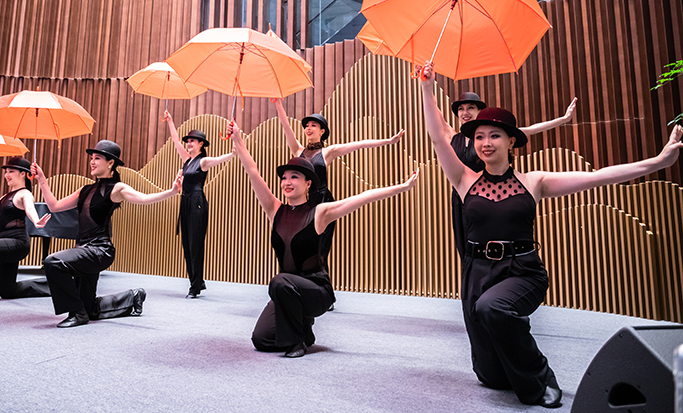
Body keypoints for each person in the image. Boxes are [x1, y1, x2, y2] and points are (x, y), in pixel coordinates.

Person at [420, 62, 682, 408]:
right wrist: (426, 87)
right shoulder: (463, 178)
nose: (485, 142)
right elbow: (438, 135)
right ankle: (506, 365)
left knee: (493, 309)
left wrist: (656, 163)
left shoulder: (535, 182)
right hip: (476, 272)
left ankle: (541, 376)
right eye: (479, 136)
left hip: (522, 270)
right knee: (491, 376)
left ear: (511, 141)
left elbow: (599, 176)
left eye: (494, 135)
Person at [227, 120, 418, 357]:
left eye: (294, 177)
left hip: (316, 290)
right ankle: (304, 330)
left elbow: (362, 198)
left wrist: (402, 187)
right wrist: (237, 139)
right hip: (288, 290)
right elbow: (252, 171)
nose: (287, 182)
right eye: (284, 177)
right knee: (261, 339)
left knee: (279, 282)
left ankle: (297, 342)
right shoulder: (274, 209)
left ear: (308, 183)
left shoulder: (319, 213)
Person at [31, 140, 182, 328]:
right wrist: (42, 180)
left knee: (53, 262)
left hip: (99, 251)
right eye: (92, 158)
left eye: (97, 158)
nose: (92, 162)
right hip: (83, 250)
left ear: (110, 163)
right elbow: (54, 206)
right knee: (89, 308)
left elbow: (143, 199)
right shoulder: (85, 190)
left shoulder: (116, 188)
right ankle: (132, 297)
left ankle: (76, 314)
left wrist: (172, 191)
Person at [273, 98, 405, 285]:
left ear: (322, 131)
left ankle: (322, 288)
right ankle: (300, 284)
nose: (309, 128)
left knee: (321, 248)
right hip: (304, 205)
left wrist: (388, 141)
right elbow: (286, 127)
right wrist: (278, 104)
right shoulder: (298, 151)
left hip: (323, 202)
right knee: (302, 247)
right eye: (307, 125)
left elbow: (359, 144)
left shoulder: (328, 152)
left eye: (313, 125)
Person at [435, 91, 577, 259]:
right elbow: (433, 112)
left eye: (470, 108)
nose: (465, 113)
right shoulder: (452, 137)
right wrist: (426, 84)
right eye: (461, 109)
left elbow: (530, 129)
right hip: (460, 198)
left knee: (490, 242)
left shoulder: (493, 136)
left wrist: (563, 119)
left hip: (487, 195)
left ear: (479, 111)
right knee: (466, 249)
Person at [164, 111, 235, 298]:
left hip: (197, 202)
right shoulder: (187, 161)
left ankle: (195, 286)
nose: (188, 144)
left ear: (201, 144)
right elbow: (175, 140)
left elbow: (222, 159)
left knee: (195, 243)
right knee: (187, 243)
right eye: (188, 141)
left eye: (192, 141)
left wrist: (235, 149)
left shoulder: (203, 161)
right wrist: (171, 121)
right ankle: (197, 281)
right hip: (185, 201)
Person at [0, 156, 52, 303]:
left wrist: (36, 220)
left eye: (11, 171)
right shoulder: (6, 196)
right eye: (6, 171)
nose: (6, 175)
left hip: (16, 243)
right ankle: (54, 286)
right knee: (8, 291)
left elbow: (29, 207)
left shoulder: (24, 193)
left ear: (23, 174)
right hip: (5, 243)